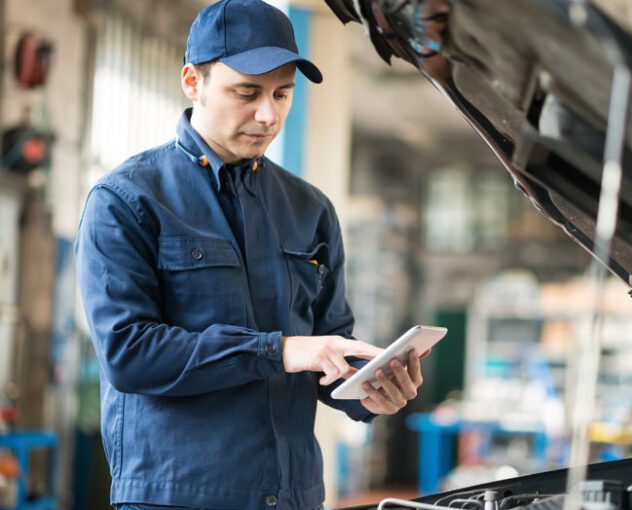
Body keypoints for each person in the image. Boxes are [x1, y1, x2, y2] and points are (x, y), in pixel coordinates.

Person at [74, 1, 426, 508]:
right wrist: (280, 349)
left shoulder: (310, 209)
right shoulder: (127, 200)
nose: (269, 115)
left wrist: (369, 388)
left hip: (293, 495)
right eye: (247, 93)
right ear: (193, 82)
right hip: (179, 496)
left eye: (283, 94)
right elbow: (129, 354)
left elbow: (328, 347)